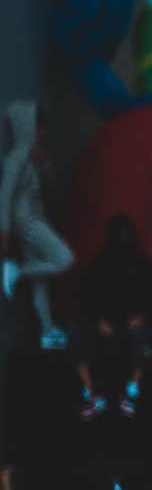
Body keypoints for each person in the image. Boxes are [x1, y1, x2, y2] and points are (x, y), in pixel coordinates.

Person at [0, 101, 74, 350]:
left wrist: (43, 164)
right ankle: (17, 271)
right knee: (65, 258)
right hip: (27, 222)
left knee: (40, 282)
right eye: (39, 127)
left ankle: (47, 330)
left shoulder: (31, 154)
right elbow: (5, 194)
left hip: (34, 219)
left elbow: (48, 188)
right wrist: (5, 232)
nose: (42, 133)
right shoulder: (17, 156)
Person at [75, 214, 152, 420]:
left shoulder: (141, 263)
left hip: (133, 325)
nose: (123, 240)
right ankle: (92, 395)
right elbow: (85, 298)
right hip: (104, 323)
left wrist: (143, 317)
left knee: (144, 341)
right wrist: (98, 320)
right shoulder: (100, 265)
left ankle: (131, 394)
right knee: (79, 336)